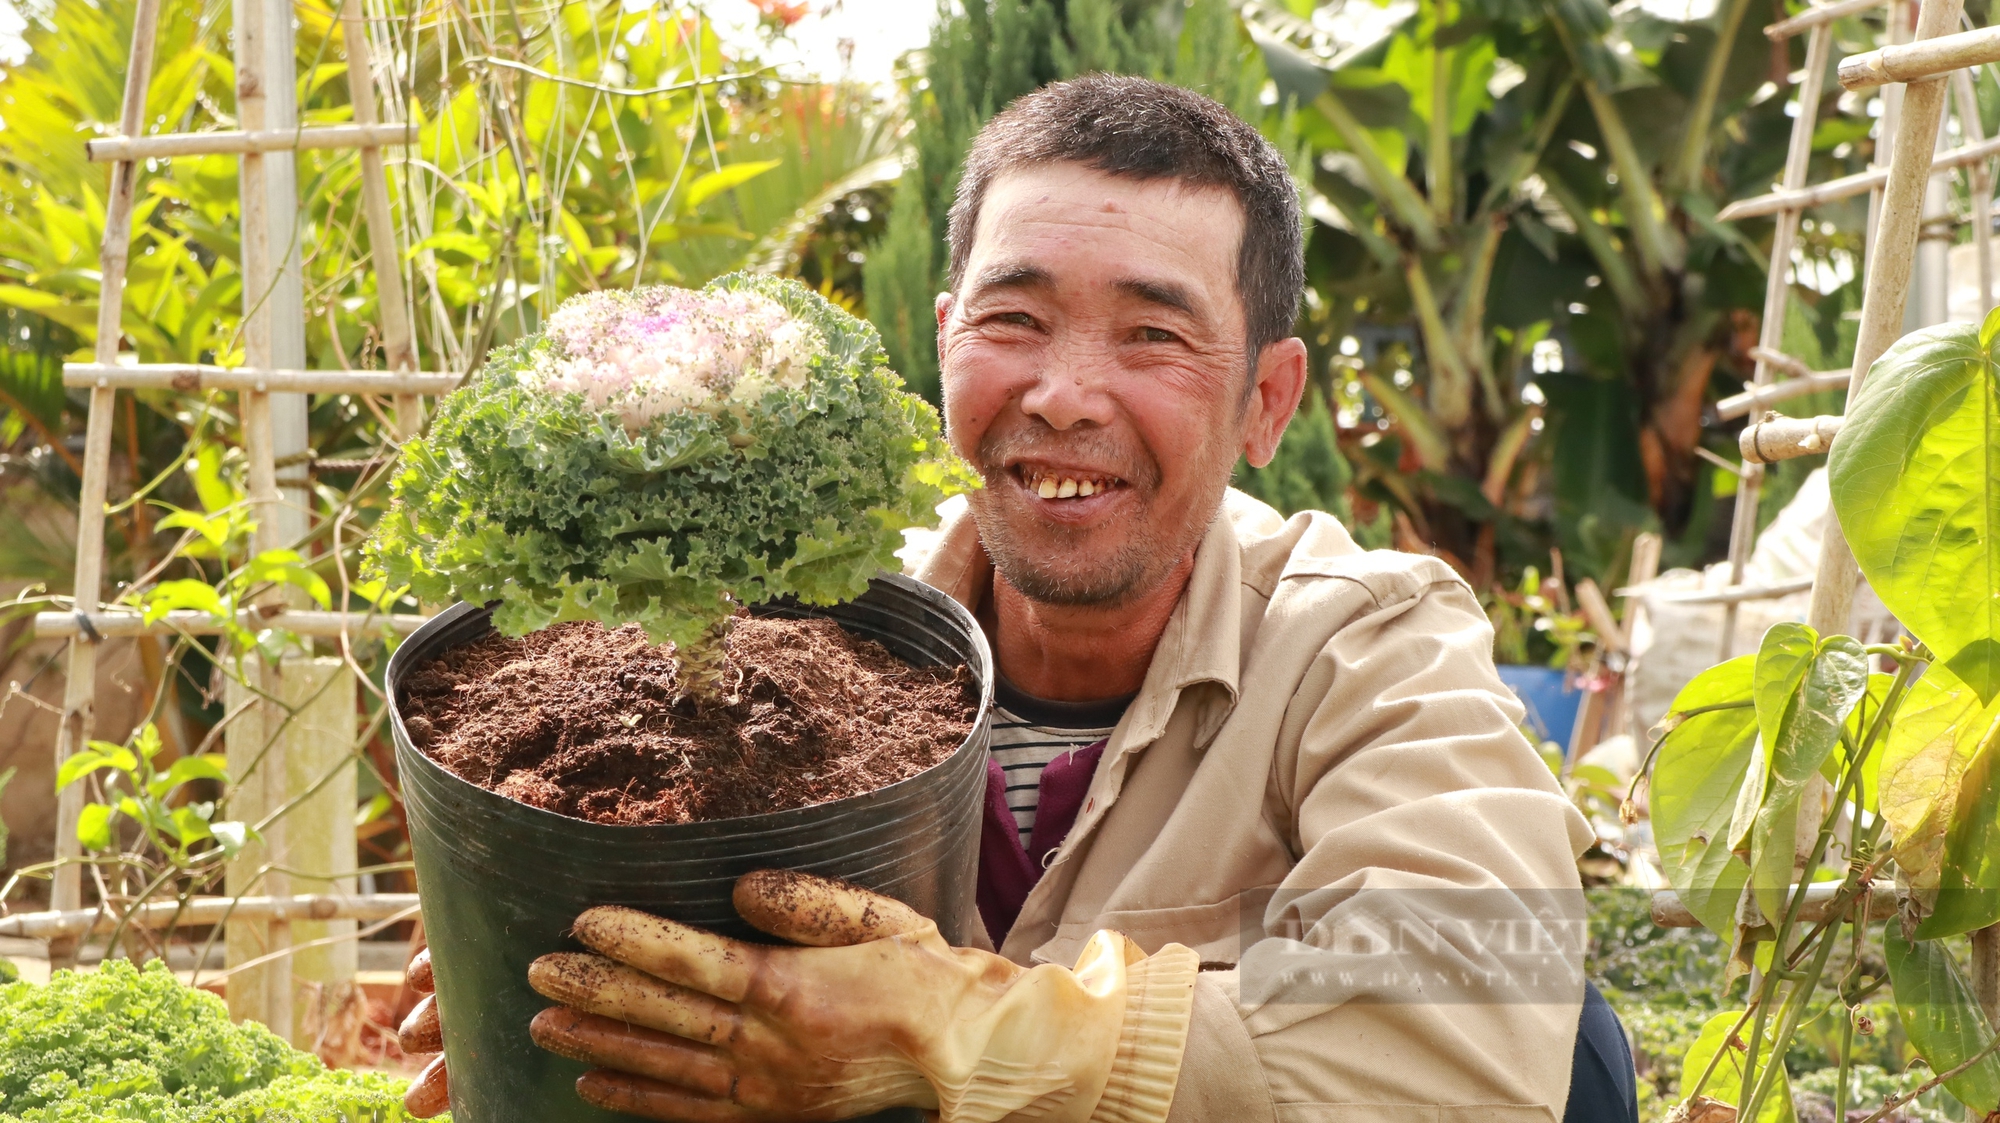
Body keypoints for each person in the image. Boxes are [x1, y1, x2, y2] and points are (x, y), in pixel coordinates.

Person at [400, 74, 1639, 1123]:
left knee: (1577, 1048)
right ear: (943, 343)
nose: (1062, 394)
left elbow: (1478, 1033)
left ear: (1267, 399)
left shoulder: (1365, 644)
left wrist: (955, 1029)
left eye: (1152, 336)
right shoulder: (758, 633)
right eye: (1014, 318)